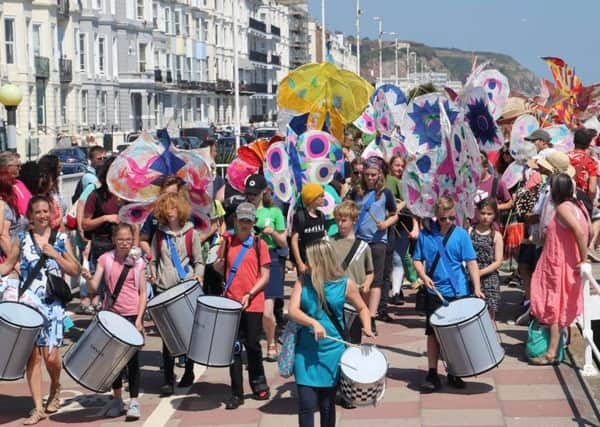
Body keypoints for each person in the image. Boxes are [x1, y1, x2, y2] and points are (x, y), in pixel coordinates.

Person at [0, 196, 80, 425]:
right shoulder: (21, 239)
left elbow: (74, 269)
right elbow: (7, 266)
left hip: (53, 305)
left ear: (51, 213)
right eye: (38, 212)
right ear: (31, 216)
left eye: (46, 211)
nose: (43, 215)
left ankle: (55, 385)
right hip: (29, 305)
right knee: (33, 358)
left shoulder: (61, 238)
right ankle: (37, 408)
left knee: (52, 358)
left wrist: (56, 255)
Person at [288, 238, 374, 427]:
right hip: (306, 351)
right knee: (306, 404)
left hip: (333, 351)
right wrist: (312, 322)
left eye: (308, 259)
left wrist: (366, 326)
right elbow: (292, 310)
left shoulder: (345, 284)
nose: (305, 263)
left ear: (320, 260)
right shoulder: (303, 280)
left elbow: (362, 308)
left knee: (327, 406)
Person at [413, 196, 483, 392]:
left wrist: (476, 288)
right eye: (444, 219)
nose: (448, 222)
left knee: (456, 336)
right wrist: (423, 276)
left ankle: (454, 372)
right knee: (433, 333)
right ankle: (432, 372)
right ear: (436, 216)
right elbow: (416, 259)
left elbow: (471, 263)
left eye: (452, 218)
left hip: (458, 291)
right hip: (434, 291)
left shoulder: (461, 235)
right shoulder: (425, 236)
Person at [81, 223, 147, 420]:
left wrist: (140, 318)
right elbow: (94, 286)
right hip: (112, 316)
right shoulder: (105, 259)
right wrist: (87, 276)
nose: (124, 243)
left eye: (128, 239)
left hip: (132, 315)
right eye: (121, 239)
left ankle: (134, 401)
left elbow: (143, 293)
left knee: (133, 362)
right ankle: (118, 399)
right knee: (113, 362)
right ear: (113, 240)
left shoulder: (138, 262)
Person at [213, 202, 271, 409]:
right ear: (235, 221)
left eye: (249, 220)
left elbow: (265, 276)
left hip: (253, 302)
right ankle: (236, 392)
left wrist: (250, 293)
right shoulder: (227, 242)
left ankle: (259, 383)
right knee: (234, 348)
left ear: (254, 223)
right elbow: (222, 269)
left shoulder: (259, 245)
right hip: (231, 302)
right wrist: (218, 266)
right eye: (241, 220)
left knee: (253, 345)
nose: (245, 224)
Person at [530, 173, 591, 365]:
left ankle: (550, 353)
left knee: (553, 306)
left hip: (558, 263)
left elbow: (580, 232)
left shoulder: (563, 208)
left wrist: (584, 258)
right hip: (564, 261)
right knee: (559, 305)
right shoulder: (578, 206)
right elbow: (587, 229)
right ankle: (555, 350)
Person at [148, 192, 204, 394]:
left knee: (188, 334)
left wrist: (198, 276)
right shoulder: (159, 235)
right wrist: (152, 273)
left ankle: (189, 371)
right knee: (167, 337)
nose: (170, 212)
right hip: (164, 289)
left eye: (173, 207)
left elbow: (199, 261)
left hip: (185, 289)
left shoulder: (191, 233)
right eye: (166, 208)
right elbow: (153, 260)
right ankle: (167, 378)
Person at [349, 156, 397, 334]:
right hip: (360, 240)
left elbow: (394, 214)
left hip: (378, 241)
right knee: (361, 280)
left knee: (376, 280)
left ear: (379, 175)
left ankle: (372, 315)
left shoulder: (385, 193)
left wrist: (386, 224)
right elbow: (349, 210)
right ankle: (362, 311)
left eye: (373, 175)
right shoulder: (356, 192)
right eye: (367, 174)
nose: (370, 178)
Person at [245, 174, 287, 361]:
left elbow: (283, 241)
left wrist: (272, 233)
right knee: (251, 307)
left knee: (267, 311)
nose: (251, 197)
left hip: (270, 257)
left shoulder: (274, 212)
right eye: (248, 193)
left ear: (264, 192)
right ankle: (251, 345)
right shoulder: (244, 210)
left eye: (254, 194)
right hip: (249, 257)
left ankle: (271, 341)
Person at [330, 200, 374, 344]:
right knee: (335, 341)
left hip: (355, 302)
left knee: (353, 341)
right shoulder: (328, 242)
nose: (340, 224)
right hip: (334, 299)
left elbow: (370, 271)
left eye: (344, 220)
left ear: (354, 220)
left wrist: (367, 284)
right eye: (337, 220)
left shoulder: (363, 247)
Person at [81, 156, 120, 313]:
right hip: (102, 246)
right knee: (102, 288)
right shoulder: (95, 196)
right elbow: (85, 223)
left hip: (122, 246)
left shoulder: (124, 196)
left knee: (119, 287)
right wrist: (105, 218)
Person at [469, 198, 503, 321]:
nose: (485, 217)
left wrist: (481, 272)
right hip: (470, 275)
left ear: (494, 215)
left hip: (489, 277)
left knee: (489, 314)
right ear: (478, 213)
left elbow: (498, 261)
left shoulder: (496, 235)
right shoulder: (470, 231)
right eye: (483, 213)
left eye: (489, 214)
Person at [291, 184, 327, 275]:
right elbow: (294, 241)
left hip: (321, 261)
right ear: (312, 198)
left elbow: (324, 238)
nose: (324, 198)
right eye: (321, 196)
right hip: (306, 261)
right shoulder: (300, 217)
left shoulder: (321, 215)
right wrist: (299, 263)